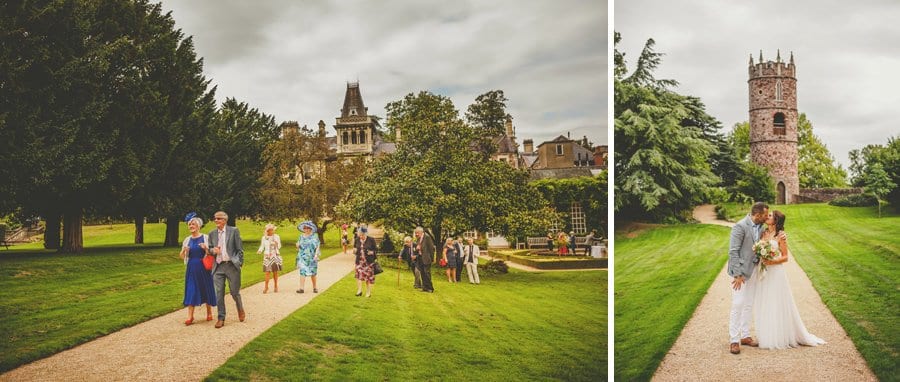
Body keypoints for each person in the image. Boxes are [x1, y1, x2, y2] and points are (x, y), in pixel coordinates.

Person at [753, 210, 825, 349]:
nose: (767, 217)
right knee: (765, 300)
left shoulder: (781, 236)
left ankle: (779, 336)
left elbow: (785, 257)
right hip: (764, 272)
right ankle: (766, 334)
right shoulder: (763, 233)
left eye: (770, 216)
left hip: (776, 273)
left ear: (776, 220)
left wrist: (771, 262)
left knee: (777, 301)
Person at [727, 202, 768, 353]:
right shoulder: (740, 226)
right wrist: (737, 275)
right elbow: (733, 251)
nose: (766, 217)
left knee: (749, 303)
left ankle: (745, 336)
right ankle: (734, 340)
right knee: (738, 303)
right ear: (757, 215)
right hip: (740, 274)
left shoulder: (762, 227)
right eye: (765, 215)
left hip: (754, 271)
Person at [208, 210, 245, 328]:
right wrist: (213, 250)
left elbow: (240, 250)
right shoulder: (212, 233)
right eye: (215, 218)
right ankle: (221, 318)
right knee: (219, 293)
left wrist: (239, 263)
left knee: (234, 292)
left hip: (231, 266)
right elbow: (209, 249)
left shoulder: (234, 231)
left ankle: (240, 309)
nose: (216, 220)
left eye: (218, 218)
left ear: (224, 220)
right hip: (218, 267)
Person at [179, 214, 216, 325]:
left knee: (205, 288)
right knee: (191, 290)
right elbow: (181, 256)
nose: (191, 226)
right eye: (189, 224)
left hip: (204, 268)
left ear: (199, 226)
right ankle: (190, 316)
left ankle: (209, 312)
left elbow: (211, 253)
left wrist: (206, 248)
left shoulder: (205, 238)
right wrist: (184, 251)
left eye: (193, 224)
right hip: (191, 268)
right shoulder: (187, 240)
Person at [295, 221, 321, 293]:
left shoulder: (315, 237)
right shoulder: (301, 236)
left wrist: (316, 255)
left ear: (311, 229)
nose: (306, 229)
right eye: (305, 228)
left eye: (307, 228)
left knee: (313, 273)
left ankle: (315, 287)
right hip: (302, 257)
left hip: (312, 257)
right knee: (302, 271)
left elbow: (318, 246)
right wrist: (297, 246)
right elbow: (298, 247)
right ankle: (301, 288)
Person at [257, 224, 282, 293]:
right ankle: (266, 287)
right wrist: (260, 250)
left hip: (275, 255)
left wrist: (276, 244)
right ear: (267, 231)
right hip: (267, 256)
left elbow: (279, 246)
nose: (272, 231)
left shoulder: (277, 237)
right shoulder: (264, 237)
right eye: (270, 230)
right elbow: (262, 246)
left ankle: (276, 286)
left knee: (275, 272)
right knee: (267, 272)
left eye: (272, 229)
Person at [354, 227, 378, 297]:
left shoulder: (371, 240)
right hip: (359, 261)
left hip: (368, 262)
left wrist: (372, 252)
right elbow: (355, 248)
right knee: (358, 276)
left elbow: (376, 249)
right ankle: (359, 291)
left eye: (362, 235)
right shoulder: (357, 239)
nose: (361, 236)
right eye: (360, 235)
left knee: (368, 278)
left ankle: (368, 292)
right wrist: (355, 251)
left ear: (366, 234)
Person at [413, 227, 435, 293]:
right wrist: (417, 249)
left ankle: (430, 288)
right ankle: (424, 287)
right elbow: (419, 247)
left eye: (417, 233)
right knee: (422, 273)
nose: (416, 234)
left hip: (426, 258)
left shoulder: (427, 237)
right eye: (415, 233)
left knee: (427, 273)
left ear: (421, 232)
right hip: (420, 258)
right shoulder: (418, 238)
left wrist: (432, 258)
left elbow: (431, 248)